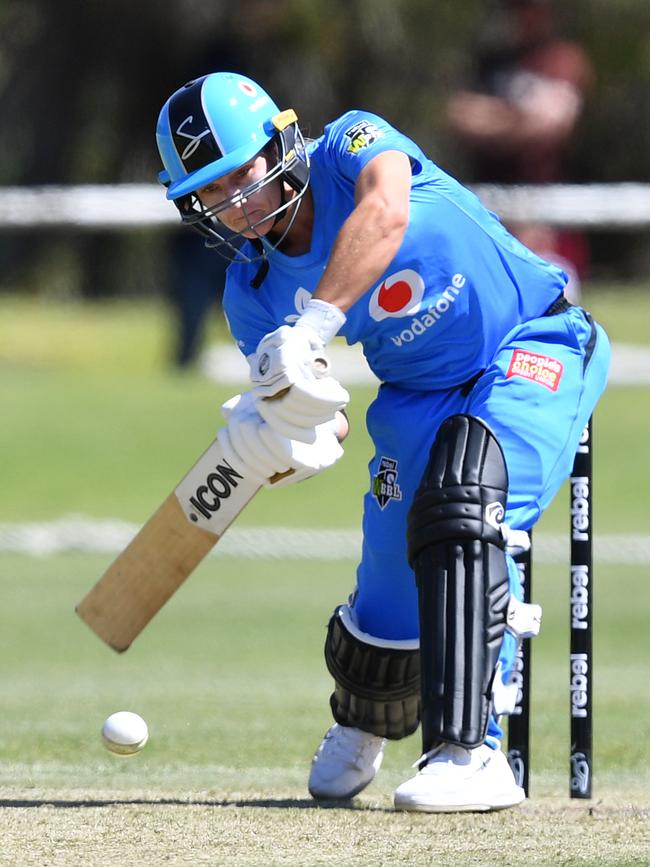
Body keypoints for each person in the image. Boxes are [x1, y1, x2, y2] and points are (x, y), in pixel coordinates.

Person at [156, 71, 609, 812]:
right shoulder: (252, 290)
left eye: (240, 179)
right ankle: (367, 720)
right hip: (414, 394)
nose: (235, 209)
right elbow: (317, 413)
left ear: (280, 144)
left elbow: (387, 211)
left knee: (464, 497)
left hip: (534, 339)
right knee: (391, 575)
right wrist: (276, 440)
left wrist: (315, 325)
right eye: (212, 195)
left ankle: (471, 750)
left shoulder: (350, 145)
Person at [445, 0, 594, 296]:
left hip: (543, 204)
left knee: (548, 293)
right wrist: (520, 117)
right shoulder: (491, 62)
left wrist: (493, 117)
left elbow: (553, 123)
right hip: (487, 199)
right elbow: (458, 115)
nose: (523, 16)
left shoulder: (562, 59)